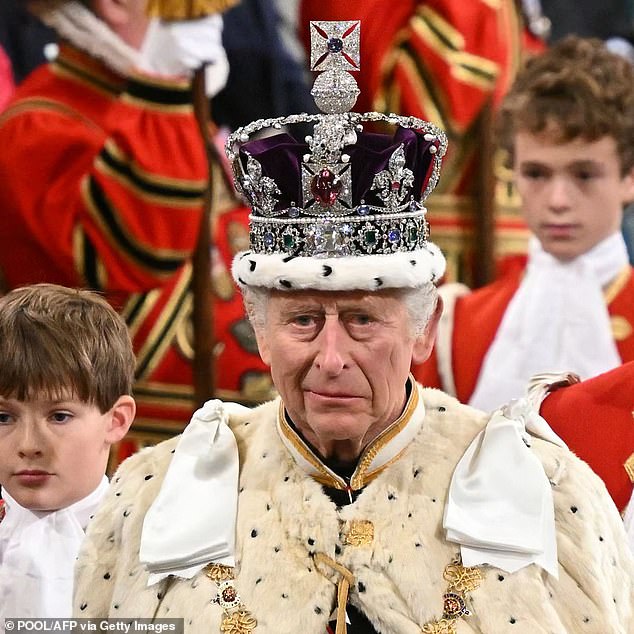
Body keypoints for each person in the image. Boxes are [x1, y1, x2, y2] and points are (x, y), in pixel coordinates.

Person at [73, 21, 633, 633]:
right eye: (303, 321)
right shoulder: (149, 499)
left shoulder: (555, 498)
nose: (331, 357)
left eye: (363, 320)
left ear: (425, 330)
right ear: (259, 330)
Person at [0, 0, 272, 452]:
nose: (206, 18)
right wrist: (162, 87)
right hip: (133, 455)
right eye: (185, 7)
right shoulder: (39, 124)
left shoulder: (144, 102)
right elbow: (141, 256)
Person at [414, 37, 634, 499]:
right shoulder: (458, 328)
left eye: (584, 174)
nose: (557, 200)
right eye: (536, 174)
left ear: (628, 177)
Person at [0, 283, 136, 626]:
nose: (28, 444)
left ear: (116, 421)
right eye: (4, 417)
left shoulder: (152, 544)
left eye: (59, 416)